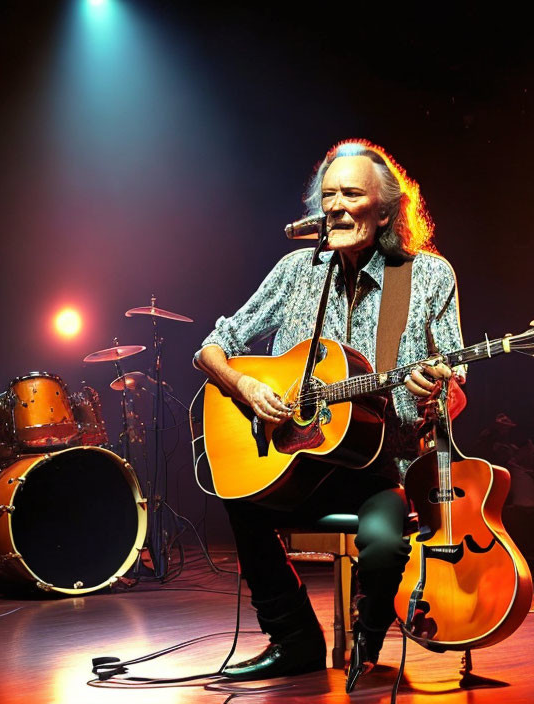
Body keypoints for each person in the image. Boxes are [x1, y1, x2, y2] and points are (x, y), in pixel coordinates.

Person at [195, 140, 465, 691]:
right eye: (328, 195)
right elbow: (211, 347)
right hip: (299, 464)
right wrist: (247, 385)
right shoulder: (298, 270)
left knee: (386, 543)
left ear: (386, 210)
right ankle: (294, 640)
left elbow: (454, 392)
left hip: (378, 466)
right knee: (235, 495)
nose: (336, 206)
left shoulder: (429, 277)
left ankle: (368, 642)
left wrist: (435, 391)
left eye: (351, 194)